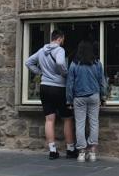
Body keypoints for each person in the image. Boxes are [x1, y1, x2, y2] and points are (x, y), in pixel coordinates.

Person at [24, 29, 76, 159]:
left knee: (49, 119)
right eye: (63, 39)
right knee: (67, 118)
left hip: (44, 87)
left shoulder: (42, 51)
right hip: (59, 88)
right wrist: (64, 73)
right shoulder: (59, 50)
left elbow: (28, 62)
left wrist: (40, 72)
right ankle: (70, 149)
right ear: (60, 38)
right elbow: (60, 63)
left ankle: (52, 151)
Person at [65, 40, 107, 162]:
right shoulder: (97, 63)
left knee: (80, 124)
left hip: (79, 97)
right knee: (94, 123)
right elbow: (102, 81)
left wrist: (69, 100)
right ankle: (93, 151)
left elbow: (70, 84)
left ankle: (81, 152)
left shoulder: (74, 64)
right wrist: (103, 97)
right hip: (94, 96)